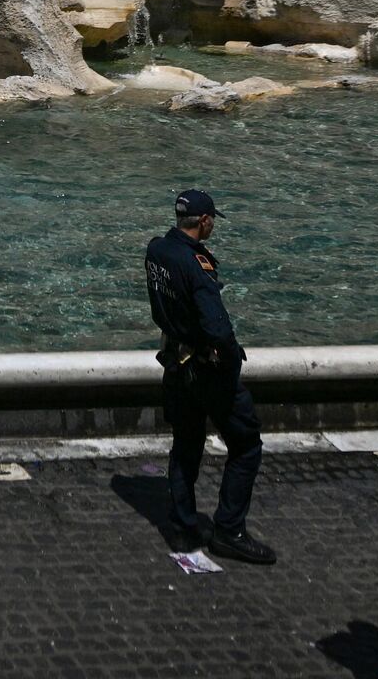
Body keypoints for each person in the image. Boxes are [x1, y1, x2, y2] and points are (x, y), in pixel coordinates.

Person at [142, 189, 276, 564]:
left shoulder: (157, 250)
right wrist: (231, 363)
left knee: (186, 444)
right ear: (204, 222)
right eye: (212, 220)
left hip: (174, 361)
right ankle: (229, 531)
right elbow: (218, 328)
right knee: (246, 444)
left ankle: (183, 525)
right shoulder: (196, 265)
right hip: (205, 370)